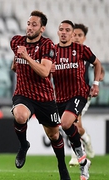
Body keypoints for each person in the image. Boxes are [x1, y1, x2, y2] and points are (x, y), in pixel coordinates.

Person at [10, 10, 70, 180]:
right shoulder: (16, 41)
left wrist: (27, 57)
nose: (29, 27)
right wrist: (16, 62)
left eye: (34, 25)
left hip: (44, 97)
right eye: (28, 23)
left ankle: (61, 165)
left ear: (42, 28)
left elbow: (44, 72)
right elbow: (15, 64)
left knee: (54, 135)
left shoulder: (47, 45)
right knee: (20, 116)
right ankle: (23, 146)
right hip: (23, 93)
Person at [52, 20, 102, 180]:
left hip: (79, 93)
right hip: (59, 96)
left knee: (67, 124)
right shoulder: (52, 51)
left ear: (72, 34)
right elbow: (44, 70)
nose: (64, 32)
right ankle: (83, 161)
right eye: (61, 29)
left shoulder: (80, 49)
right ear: (58, 32)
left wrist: (95, 84)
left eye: (68, 30)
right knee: (67, 128)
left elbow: (97, 63)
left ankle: (81, 155)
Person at [68, 23, 106, 166]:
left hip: (83, 94)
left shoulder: (85, 53)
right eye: (75, 35)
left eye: (80, 35)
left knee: (73, 123)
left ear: (84, 38)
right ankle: (87, 139)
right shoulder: (64, 52)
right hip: (66, 94)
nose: (76, 37)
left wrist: (98, 79)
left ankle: (75, 156)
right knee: (77, 126)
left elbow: (99, 66)